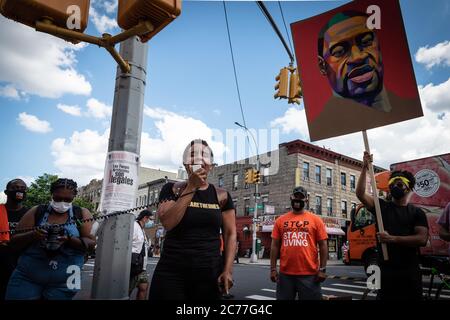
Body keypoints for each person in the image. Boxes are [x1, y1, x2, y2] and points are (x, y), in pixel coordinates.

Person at [309, 10, 422, 141]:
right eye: (339, 51)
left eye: (367, 42)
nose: (358, 57)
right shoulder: (321, 125)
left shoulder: (408, 106)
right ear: (323, 66)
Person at [149, 139, 237, 300]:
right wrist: (191, 186)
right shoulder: (172, 189)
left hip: (209, 274)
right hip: (171, 273)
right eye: (192, 154)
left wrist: (227, 270)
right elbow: (168, 223)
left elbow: (230, 234)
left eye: (204, 155)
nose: (198, 158)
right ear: (184, 163)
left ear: (211, 164)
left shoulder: (222, 195)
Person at [5, 178, 96, 300]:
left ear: (74, 196)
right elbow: (14, 242)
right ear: (51, 195)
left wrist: (69, 240)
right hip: (27, 278)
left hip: (66, 281)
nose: (62, 203)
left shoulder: (82, 214)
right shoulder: (37, 211)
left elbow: (91, 243)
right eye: (57, 199)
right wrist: (33, 235)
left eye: (67, 200)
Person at [356, 151, 429, 300]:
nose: (395, 186)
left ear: (408, 188)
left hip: (409, 272)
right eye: (392, 184)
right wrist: (364, 167)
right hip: (386, 272)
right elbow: (360, 193)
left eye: (400, 184)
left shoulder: (417, 213)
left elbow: (421, 239)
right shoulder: (381, 207)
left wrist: (393, 239)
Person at [270, 186, 328, 300]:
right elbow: (274, 245)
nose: (297, 200)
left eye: (301, 197)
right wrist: (272, 269)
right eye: (295, 196)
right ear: (291, 197)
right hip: (285, 275)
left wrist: (323, 269)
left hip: (309, 275)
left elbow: (323, 245)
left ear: (306, 200)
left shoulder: (316, 220)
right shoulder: (280, 221)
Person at [0, 179, 29, 300]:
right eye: (15, 188)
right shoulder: (1, 210)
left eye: (23, 188)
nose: (19, 190)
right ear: (6, 192)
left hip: (22, 264)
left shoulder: (30, 213)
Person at [129, 209, 153, 300]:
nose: (151, 222)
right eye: (150, 219)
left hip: (141, 267)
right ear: (145, 218)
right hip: (133, 265)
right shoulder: (134, 226)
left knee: (144, 286)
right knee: (126, 290)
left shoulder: (142, 230)